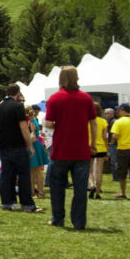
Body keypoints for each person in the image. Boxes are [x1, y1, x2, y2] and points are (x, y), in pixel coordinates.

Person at [44, 67, 97, 230]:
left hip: (61, 150)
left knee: (57, 188)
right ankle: (79, 222)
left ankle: (58, 219)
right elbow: (93, 123)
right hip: (81, 151)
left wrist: (60, 125)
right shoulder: (86, 98)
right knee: (80, 190)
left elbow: (48, 123)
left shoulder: (55, 98)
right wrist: (93, 144)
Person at [0, 84, 43, 213]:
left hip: (3, 145)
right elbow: (23, 127)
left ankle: (7, 202)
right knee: (24, 175)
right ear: (18, 93)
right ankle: (27, 204)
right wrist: (30, 145)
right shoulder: (18, 106)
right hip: (17, 145)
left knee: (7, 175)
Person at [28, 105, 50, 200]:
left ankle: (39, 192)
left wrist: (26, 141)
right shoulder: (34, 120)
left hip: (34, 146)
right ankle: (34, 191)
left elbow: (33, 137)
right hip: (37, 145)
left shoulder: (31, 122)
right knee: (34, 171)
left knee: (35, 171)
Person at [89, 101, 108, 199]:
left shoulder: (86, 120)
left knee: (89, 170)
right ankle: (97, 193)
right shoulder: (103, 121)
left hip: (89, 147)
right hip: (101, 147)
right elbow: (105, 137)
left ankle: (92, 185)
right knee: (99, 171)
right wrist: (107, 149)